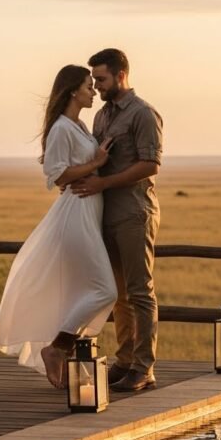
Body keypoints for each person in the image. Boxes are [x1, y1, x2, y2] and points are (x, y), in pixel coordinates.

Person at [0, 64, 118, 389]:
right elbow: (58, 175)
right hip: (76, 213)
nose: (93, 91)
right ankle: (56, 349)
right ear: (73, 90)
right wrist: (97, 164)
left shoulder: (79, 125)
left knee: (83, 290)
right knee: (106, 289)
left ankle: (68, 356)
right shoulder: (62, 128)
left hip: (89, 211)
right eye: (88, 86)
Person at [71, 48, 163, 392]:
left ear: (121, 75)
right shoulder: (102, 117)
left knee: (140, 291)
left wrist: (102, 183)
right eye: (94, 79)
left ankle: (144, 367)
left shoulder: (143, 114)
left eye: (101, 79)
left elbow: (150, 164)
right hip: (106, 214)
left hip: (134, 213)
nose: (96, 86)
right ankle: (125, 361)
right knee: (119, 294)